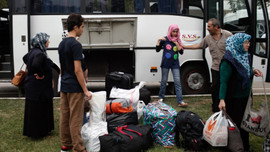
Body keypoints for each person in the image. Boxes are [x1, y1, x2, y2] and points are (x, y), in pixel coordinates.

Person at [218, 33, 263, 151]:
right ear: (238, 44)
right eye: (246, 42)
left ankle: (245, 146)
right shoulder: (228, 60)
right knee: (236, 124)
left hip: (245, 97)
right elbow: (223, 82)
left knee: (245, 123)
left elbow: (245, 71)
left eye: (248, 42)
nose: (248, 45)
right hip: (234, 99)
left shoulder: (244, 56)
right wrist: (222, 99)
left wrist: (253, 71)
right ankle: (234, 147)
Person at [58, 13, 92, 152]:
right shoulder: (75, 44)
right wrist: (85, 90)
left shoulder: (62, 43)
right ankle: (78, 148)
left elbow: (61, 67)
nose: (83, 30)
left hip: (64, 85)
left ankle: (66, 145)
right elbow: (78, 70)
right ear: (76, 27)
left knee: (65, 116)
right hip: (74, 86)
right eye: (82, 27)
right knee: (76, 119)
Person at [183, 18, 233, 113]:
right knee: (215, 88)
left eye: (209, 26)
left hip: (227, 68)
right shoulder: (208, 38)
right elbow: (198, 45)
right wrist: (183, 46)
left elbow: (236, 48)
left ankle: (227, 107)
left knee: (228, 87)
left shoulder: (228, 35)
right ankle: (215, 108)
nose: (207, 28)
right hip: (215, 68)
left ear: (216, 27)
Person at [22, 32, 60, 138]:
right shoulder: (39, 54)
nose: (49, 42)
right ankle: (40, 132)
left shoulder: (33, 51)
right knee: (40, 109)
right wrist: (41, 74)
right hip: (39, 88)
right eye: (47, 40)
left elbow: (25, 58)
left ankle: (36, 131)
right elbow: (35, 64)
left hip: (33, 87)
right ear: (42, 42)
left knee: (34, 109)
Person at [156, 24, 187, 107]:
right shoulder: (165, 39)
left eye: (176, 31)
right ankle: (161, 97)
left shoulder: (178, 40)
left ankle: (180, 101)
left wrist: (176, 43)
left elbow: (181, 52)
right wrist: (158, 40)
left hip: (175, 64)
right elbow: (157, 50)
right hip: (165, 63)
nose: (175, 33)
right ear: (170, 31)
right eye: (173, 31)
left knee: (177, 82)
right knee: (164, 81)